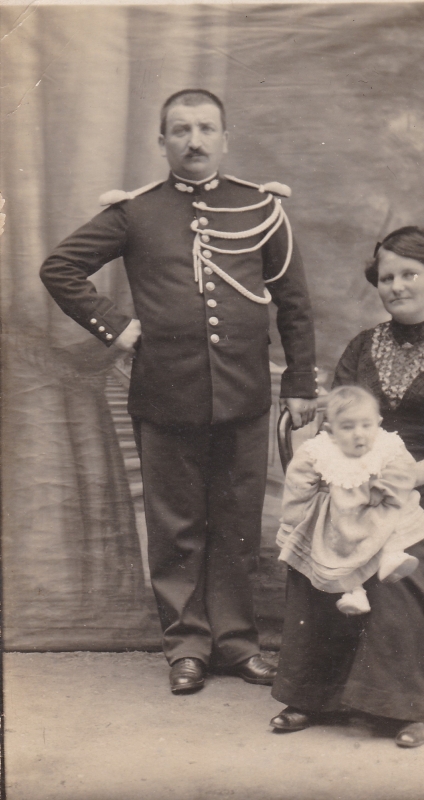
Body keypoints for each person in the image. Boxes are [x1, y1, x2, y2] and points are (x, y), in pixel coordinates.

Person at [40, 89, 318, 694]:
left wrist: (300, 381)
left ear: (225, 137)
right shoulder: (136, 212)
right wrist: (117, 327)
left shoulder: (262, 208)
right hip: (166, 394)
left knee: (239, 524)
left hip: (245, 394)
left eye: (206, 129)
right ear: (161, 141)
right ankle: (187, 646)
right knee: (176, 527)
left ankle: (238, 644)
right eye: (181, 130)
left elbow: (293, 303)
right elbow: (59, 267)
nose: (194, 141)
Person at [270, 226, 424, 748]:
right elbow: (338, 419)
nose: (397, 286)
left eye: (410, 274)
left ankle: (413, 705)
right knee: (321, 546)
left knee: (397, 563)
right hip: (363, 487)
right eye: (387, 277)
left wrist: (408, 475)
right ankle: (314, 694)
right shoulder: (362, 347)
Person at [276, 385, 424, 616]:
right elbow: (298, 482)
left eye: (366, 425)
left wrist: (385, 489)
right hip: (340, 515)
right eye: (347, 427)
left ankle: (392, 555)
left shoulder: (385, 445)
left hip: (378, 507)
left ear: (377, 422)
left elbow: (405, 471)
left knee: (397, 514)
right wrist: (295, 517)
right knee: (337, 545)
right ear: (330, 430)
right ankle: (354, 592)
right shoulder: (319, 450)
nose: (359, 434)